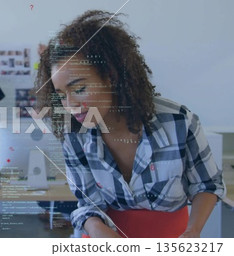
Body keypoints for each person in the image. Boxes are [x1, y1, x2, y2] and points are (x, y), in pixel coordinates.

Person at [34, 10, 225, 238]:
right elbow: (88, 205)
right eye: (61, 95)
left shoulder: (178, 122)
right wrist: (97, 229)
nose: (70, 104)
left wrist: (192, 232)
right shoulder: (74, 134)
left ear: (110, 76)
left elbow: (207, 185)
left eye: (79, 89)